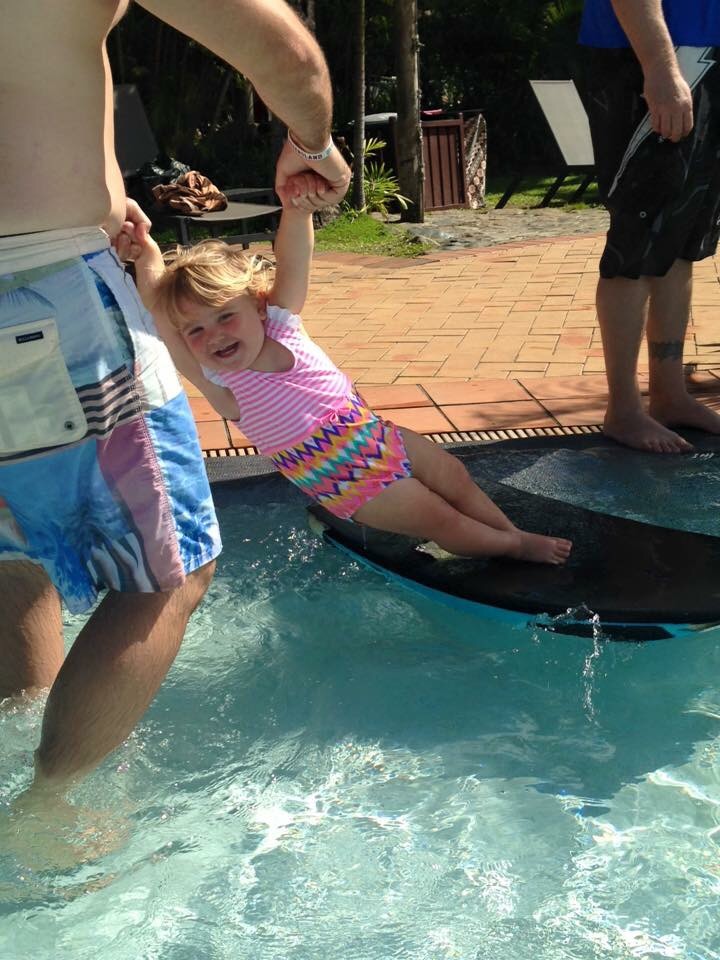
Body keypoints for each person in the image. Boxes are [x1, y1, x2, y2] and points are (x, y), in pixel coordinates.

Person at [0, 0, 351, 807]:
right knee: (169, 572)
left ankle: (23, 735)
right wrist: (313, 143)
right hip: (40, 289)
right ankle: (45, 812)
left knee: (14, 545)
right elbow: (286, 54)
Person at [124, 177, 573, 567]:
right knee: (441, 519)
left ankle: (506, 529)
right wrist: (146, 257)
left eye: (225, 316)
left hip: (380, 437)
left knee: (453, 474)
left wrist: (296, 210)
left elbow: (294, 260)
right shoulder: (222, 384)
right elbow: (160, 316)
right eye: (196, 330)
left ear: (258, 306)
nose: (214, 336)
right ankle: (513, 546)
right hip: (350, 484)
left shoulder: (281, 327)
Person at [579, 0, 720, 452]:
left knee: (679, 241)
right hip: (651, 57)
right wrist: (659, 69)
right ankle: (623, 410)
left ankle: (669, 395)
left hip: (701, 54)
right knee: (635, 246)